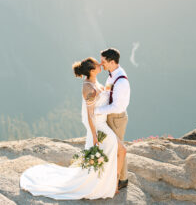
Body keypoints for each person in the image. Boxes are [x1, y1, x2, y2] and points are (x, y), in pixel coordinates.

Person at [20, 57, 126, 200]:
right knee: (120, 151)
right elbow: (90, 115)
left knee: (113, 153)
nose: (100, 64)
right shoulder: (89, 88)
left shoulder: (94, 82)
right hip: (99, 128)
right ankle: (114, 184)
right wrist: (94, 136)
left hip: (103, 125)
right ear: (92, 70)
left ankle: (113, 182)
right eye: (97, 64)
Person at [94, 48, 130, 190]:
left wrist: (96, 111)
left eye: (103, 61)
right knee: (114, 147)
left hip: (117, 118)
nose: (101, 64)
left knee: (118, 148)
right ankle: (118, 176)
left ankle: (123, 179)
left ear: (112, 62)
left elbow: (116, 106)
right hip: (110, 117)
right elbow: (108, 93)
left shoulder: (121, 81)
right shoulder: (112, 75)